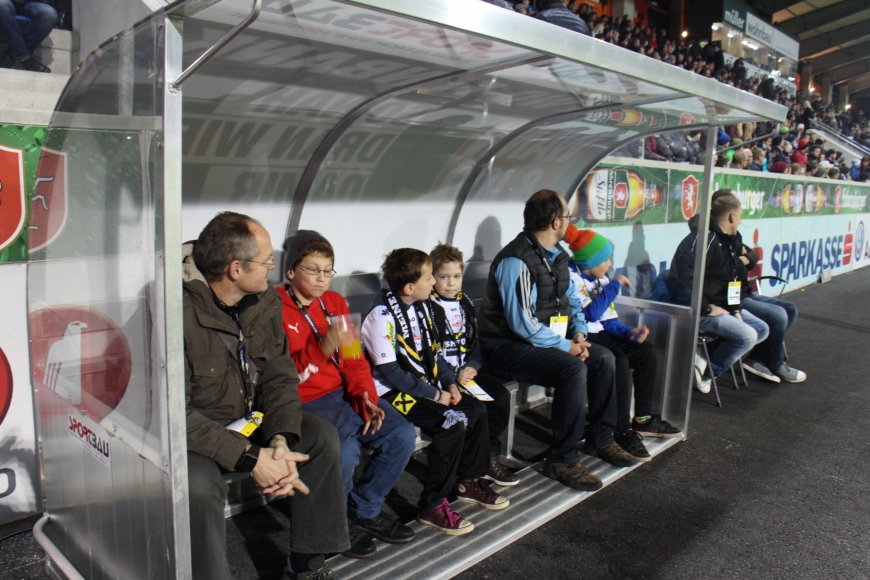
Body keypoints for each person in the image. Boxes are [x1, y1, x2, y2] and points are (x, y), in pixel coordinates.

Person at [182, 212, 347, 580]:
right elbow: (173, 414)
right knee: (195, 484)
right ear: (235, 269)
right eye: (266, 261)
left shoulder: (264, 301)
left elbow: (278, 375)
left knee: (319, 437)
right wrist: (251, 458)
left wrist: (280, 438)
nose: (273, 267)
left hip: (249, 420)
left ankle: (307, 563)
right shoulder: (177, 313)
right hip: (197, 435)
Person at [478, 190, 633, 493]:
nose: (569, 222)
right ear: (554, 221)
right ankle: (561, 459)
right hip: (504, 347)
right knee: (571, 368)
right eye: (567, 216)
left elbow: (572, 301)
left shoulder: (557, 256)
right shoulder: (516, 260)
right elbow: (522, 324)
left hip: (541, 340)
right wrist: (566, 347)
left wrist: (579, 333)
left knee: (604, 358)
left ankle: (602, 439)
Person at [277, 231, 417, 559]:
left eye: (328, 270)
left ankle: (364, 510)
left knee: (401, 433)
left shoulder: (335, 302)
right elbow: (285, 379)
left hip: (345, 394)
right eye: (313, 269)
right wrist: (321, 348)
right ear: (291, 272)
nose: (322, 278)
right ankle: (336, 525)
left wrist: (366, 398)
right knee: (346, 450)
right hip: (306, 400)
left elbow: (354, 358)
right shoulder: (275, 308)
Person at [361, 248, 508, 536]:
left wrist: (450, 383)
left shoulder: (423, 306)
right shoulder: (381, 317)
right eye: (429, 278)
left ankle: (468, 480)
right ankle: (432, 504)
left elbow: (436, 355)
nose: (434, 283)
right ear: (409, 287)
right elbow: (392, 373)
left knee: (476, 409)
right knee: (450, 423)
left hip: (422, 383)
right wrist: (436, 395)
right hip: (389, 392)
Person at [564, 226, 682, 463]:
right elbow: (590, 314)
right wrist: (614, 285)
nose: (609, 264)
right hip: (580, 336)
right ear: (591, 260)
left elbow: (609, 321)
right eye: (605, 259)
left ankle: (643, 418)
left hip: (601, 333)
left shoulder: (602, 278)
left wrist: (630, 333)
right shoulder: (571, 278)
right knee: (618, 359)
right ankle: (620, 429)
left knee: (645, 351)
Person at [427, 243, 519, 487]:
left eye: (456, 276)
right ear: (431, 278)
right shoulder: (425, 306)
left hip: (467, 374)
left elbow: (474, 341)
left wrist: (474, 366)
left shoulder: (465, 302)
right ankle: (470, 464)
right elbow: (428, 352)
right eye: (443, 277)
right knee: (474, 409)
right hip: (443, 379)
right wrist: (452, 376)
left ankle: (488, 457)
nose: (450, 283)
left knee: (499, 398)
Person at [668, 191, 770, 393]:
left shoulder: (731, 242)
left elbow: (733, 280)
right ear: (732, 216)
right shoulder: (702, 239)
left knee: (761, 328)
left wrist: (735, 309)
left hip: (721, 307)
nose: (740, 222)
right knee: (747, 336)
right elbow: (682, 279)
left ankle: (705, 358)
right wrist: (705, 308)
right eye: (740, 216)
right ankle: (706, 375)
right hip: (697, 309)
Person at [0, 0, 55, 72]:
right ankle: (25, 58)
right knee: (2, 4)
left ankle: (12, 55)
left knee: (49, 14)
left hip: (31, 3)